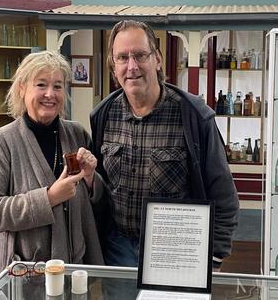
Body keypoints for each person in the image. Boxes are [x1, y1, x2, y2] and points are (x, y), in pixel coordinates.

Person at [90, 20, 239, 270]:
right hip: (118, 250)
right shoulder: (103, 115)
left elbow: (224, 197)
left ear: (157, 59)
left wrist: (213, 257)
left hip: (176, 250)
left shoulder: (194, 117)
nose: (132, 66)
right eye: (122, 58)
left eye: (139, 55)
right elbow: (100, 187)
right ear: (112, 66)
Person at [0, 50, 104, 279]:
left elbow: (97, 204)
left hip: (73, 273)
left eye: (58, 86)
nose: (50, 94)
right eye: (41, 85)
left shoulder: (77, 134)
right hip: (23, 275)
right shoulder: (3, 141)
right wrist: (50, 197)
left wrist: (92, 178)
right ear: (22, 88)